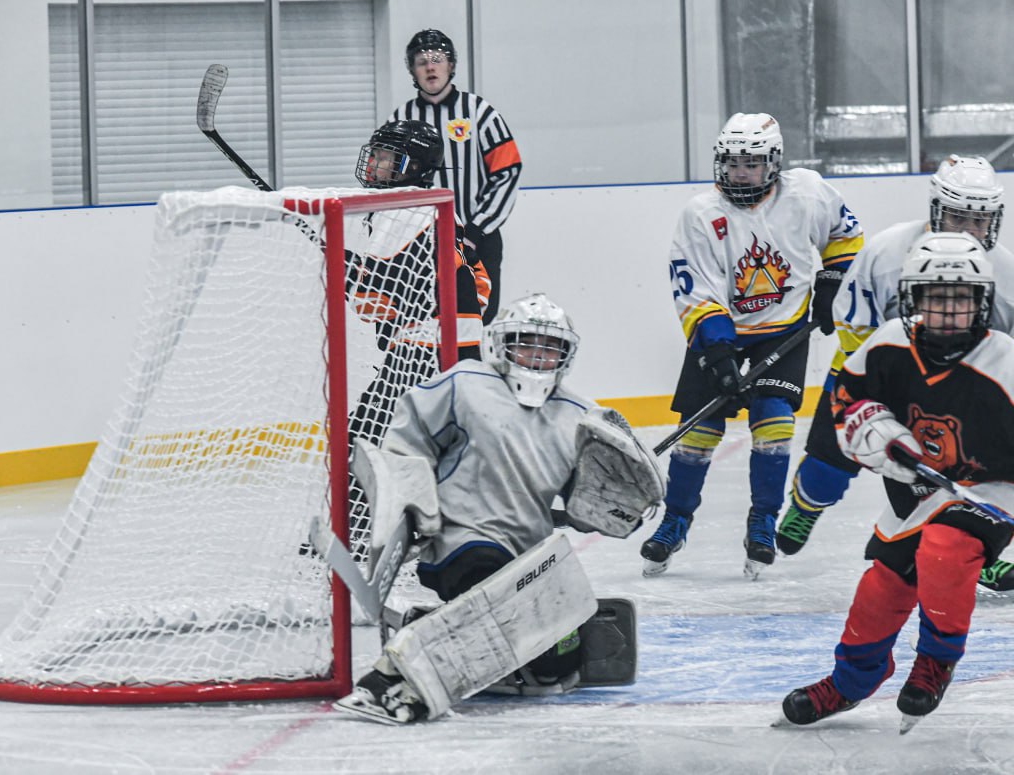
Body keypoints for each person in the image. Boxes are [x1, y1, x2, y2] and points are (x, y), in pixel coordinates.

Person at [779, 231, 1014, 732]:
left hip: (988, 489)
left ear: (982, 303)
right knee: (882, 588)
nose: (947, 310)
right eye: (935, 296)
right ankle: (852, 681)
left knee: (946, 548)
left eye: (960, 298)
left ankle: (936, 660)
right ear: (912, 297)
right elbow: (846, 399)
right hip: (918, 491)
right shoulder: (889, 344)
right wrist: (874, 428)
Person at [333, 293, 665, 724]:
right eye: (527, 343)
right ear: (501, 344)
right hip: (457, 539)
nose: (538, 355)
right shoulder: (464, 383)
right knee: (488, 580)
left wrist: (618, 503)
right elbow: (407, 442)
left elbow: (586, 506)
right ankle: (389, 684)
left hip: (529, 559)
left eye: (551, 348)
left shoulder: (579, 417)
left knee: (556, 667)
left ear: (566, 356)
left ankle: (457, 640)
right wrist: (414, 503)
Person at [776, 154, 1014, 604]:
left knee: (964, 475)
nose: (968, 230)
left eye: (979, 220)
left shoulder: (1008, 274)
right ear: (937, 209)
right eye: (959, 217)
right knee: (827, 469)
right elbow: (853, 324)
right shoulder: (887, 252)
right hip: (871, 378)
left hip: (954, 394)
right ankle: (806, 503)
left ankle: (973, 550)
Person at [641, 112, 864, 580]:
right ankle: (675, 520)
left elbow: (846, 235)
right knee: (699, 434)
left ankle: (762, 520)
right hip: (724, 331)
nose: (740, 172)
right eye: (732, 163)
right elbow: (696, 288)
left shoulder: (808, 193)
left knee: (775, 426)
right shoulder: (701, 213)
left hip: (783, 329)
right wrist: (719, 353)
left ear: (774, 163)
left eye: (752, 163)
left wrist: (829, 282)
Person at [345, 119, 491, 556]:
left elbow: (373, 302)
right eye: (376, 154)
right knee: (416, 445)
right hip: (450, 353)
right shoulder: (436, 209)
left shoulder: (405, 216)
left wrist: (348, 269)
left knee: (366, 437)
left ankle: (356, 529)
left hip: (424, 355)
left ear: (413, 166)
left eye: (386, 157)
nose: (375, 164)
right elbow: (482, 284)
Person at [387, 28, 522, 324]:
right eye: (422, 61)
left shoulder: (480, 113)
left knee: (475, 324)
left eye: (437, 58)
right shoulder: (400, 120)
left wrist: (475, 230)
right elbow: (386, 182)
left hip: (478, 242)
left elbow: (507, 171)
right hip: (418, 245)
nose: (430, 66)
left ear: (451, 65)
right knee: (420, 327)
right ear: (413, 70)